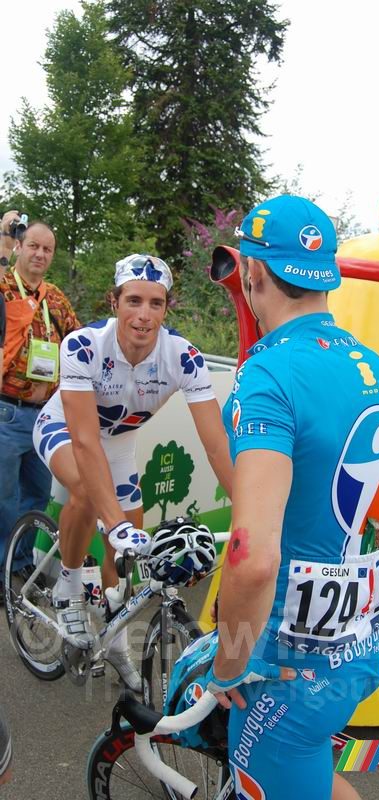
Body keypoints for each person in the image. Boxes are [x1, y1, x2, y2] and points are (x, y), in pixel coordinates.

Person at [202, 195, 379, 800]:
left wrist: (227, 668)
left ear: (253, 272)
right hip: (361, 647)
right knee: (314, 775)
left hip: (286, 666)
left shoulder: (268, 375)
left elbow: (251, 555)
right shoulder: (374, 365)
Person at [33, 254, 232, 691]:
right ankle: (67, 585)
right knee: (88, 494)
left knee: (122, 565)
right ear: (114, 301)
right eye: (134, 301)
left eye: (156, 304)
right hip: (65, 430)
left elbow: (215, 440)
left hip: (120, 446)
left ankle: (118, 645)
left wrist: (249, 510)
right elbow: (85, 442)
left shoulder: (183, 356)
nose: (144, 315)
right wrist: (115, 521)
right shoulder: (84, 345)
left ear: (166, 308)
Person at [0, 211, 79, 579]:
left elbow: (78, 342)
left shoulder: (56, 299)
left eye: (47, 249)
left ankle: (20, 567)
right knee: (4, 500)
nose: (40, 254)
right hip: (6, 412)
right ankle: (2, 572)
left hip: (46, 414)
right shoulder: (2, 288)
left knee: (36, 496)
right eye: (33, 245)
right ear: (17, 247)